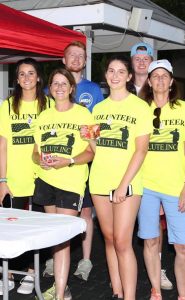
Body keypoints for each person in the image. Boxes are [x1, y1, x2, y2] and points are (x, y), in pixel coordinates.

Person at [87, 55, 152, 300]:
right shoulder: (98, 109)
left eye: (121, 71)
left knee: (124, 242)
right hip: (100, 181)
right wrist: (88, 136)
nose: (115, 76)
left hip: (127, 183)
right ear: (106, 76)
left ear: (129, 76)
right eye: (111, 71)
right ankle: (116, 290)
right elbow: (95, 147)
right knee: (110, 238)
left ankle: (130, 296)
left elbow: (142, 149)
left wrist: (124, 185)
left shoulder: (139, 107)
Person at [137, 59, 185, 300]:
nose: (160, 80)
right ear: (149, 82)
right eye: (156, 76)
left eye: (165, 76)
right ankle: (155, 290)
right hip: (146, 186)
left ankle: (183, 295)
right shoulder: (141, 109)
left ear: (172, 81)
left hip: (177, 187)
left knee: (183, 245)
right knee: (151, 242)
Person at [43, 40, 104, 281]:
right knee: (54, 216)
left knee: (85, 212)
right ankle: (55, 256)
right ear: (63, 60)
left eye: (81, 56)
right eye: (72, 55)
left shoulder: (94, 90)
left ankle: (86, 260)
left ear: (85, 61)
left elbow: (94, 130)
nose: (76, 60)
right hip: (54, 167)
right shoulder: (51, 91)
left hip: (84, 162)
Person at [32, 68, 94, 300]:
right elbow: (35, 152)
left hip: (71, 182)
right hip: (46, 181)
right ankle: (62, 288)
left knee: (62, 237)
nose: (59, 87)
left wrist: (68, 161)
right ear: (50, 88)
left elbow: (92, 152)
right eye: (55, 84)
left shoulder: (85, 114)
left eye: (63, 83)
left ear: (71, 88)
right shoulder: (43, 117)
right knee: (54, 238)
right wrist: (41, 160)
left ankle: (59, 294)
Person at [0, 57, 52, 296]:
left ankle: (32, 272)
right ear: (17, 79)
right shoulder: (7, 106)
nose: (27, 78)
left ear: (38, 77)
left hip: (43, 177)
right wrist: (2, 180)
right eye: (22, 74)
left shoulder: (50, 105)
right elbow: (2, 145)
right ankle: (8, 273)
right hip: (15, 178)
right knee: (12, 229)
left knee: (38, 228)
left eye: (31, 73)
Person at [131, 42, 174, 291]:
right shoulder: (121, 86)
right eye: (137, 58)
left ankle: (158, 270)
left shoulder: (168, 96)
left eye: (145, 58)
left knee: (156, 226)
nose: (141, 61)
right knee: (132, 230)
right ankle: (131, 272)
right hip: (132, 173)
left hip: (160, 175)